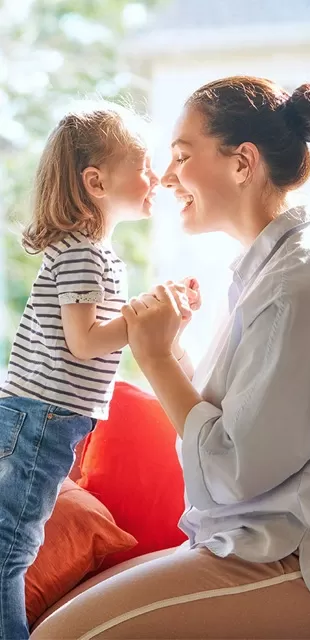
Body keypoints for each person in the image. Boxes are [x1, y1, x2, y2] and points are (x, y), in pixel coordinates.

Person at [31, 78, 310, 639]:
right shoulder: (268, 276)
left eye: (182, 155)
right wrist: (175, 353)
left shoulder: (300, 284)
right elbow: (234, 428)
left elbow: (235, 471)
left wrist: (156, 358)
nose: (165, 175)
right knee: (65, 614)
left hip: (302, 558)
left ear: (242, 163)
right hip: (249, 539)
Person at [0, 100, 197, 639]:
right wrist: (145, 316)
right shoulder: (84, 253)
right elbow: (85, 342)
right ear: (96, 181)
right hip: (41, 418)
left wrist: (151, 311)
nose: (156, 176)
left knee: (13, 544)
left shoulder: (91, 252)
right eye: (142, 165)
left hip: (39, 419)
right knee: (11, 549)